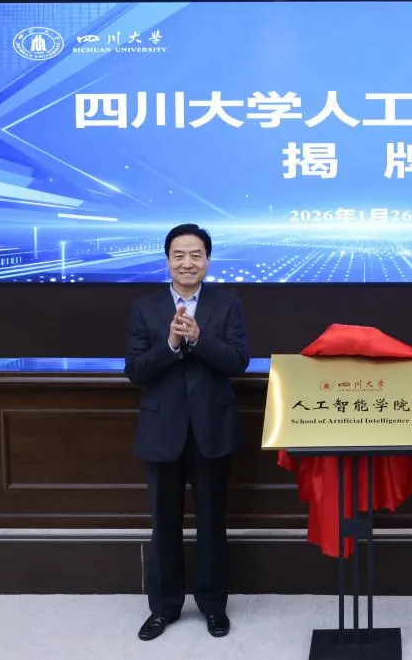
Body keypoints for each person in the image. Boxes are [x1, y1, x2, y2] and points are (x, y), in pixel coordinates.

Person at [124, 223, 249, 641]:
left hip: (212, 429)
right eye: (179, 255)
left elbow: (238, 362)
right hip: (163, 430)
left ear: (208, 261)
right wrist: (172, 346)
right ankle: (164, 608)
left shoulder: (227, 304)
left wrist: (199, 338)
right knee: (164, 524)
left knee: (212, 523)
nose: (187, 263)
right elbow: (135, 370)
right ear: (167, 261)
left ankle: (213, 606)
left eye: (196, 255)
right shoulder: (144, 307)